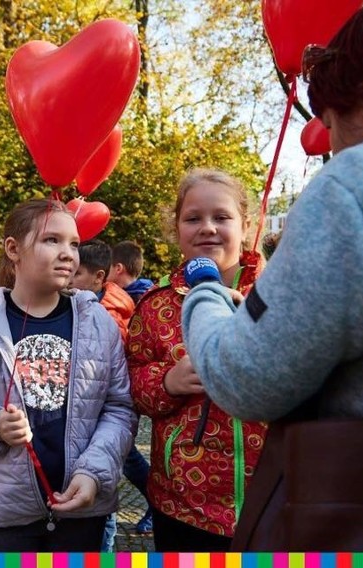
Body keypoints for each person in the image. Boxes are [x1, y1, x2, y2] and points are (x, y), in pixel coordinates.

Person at [180, 0, 363, 439]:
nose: (335, 150)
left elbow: (247, 376)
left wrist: (205, 294)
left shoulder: (361, 187)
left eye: (331, 125)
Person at [0, 198, 137, 552]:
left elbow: (119, 408)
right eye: (51, 240)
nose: (68, 253)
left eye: (74, 243)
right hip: (6, 513)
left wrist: (94, 472)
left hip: (82, 509)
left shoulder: (97, 321)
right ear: (13, 248)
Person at [126, 169, 265, 551]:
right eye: (193, 218)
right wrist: (167, 381)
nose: (207, 228)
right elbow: (133, 384)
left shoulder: (280, 295)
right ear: (176, 229)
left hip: (273, 498)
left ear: (246, 224)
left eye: (221, 217)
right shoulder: (155, 306)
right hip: (184, 505)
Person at [71, 240, 154, 549]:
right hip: (91, 412)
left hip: (104, 413)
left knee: (113, 472)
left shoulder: (108, 317)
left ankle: (107, 544)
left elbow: (110, 374)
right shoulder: (94, 303)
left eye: (77, 273)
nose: (69, 278)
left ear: (98, 277)